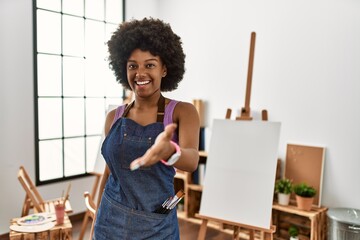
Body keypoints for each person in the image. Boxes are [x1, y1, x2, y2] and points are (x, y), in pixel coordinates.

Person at [93, 18, 200, 240]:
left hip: (156, 227)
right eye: (133, 66)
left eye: (149, 65)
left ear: (164, 69)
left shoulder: (183, 112)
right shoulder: (114, 117)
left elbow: (191, 161)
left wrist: (169, 151)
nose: (140, 73)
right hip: (109, 221)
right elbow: (110, 170)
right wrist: (96, 214)